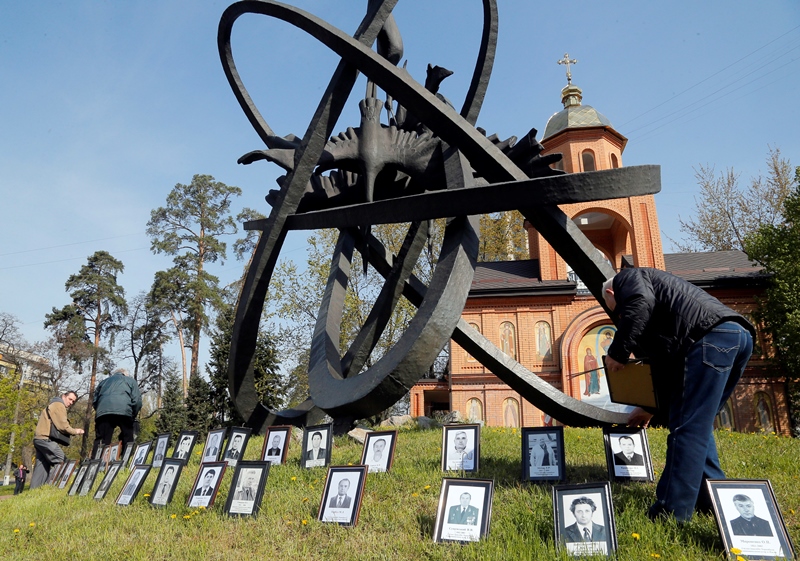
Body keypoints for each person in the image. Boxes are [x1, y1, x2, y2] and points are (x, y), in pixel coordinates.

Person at [602, 268, 754, 522]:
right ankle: (713, 500)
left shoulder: (627, 278)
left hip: (710, 338)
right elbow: (664, 368)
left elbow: (639, 303)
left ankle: (672, 512)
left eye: (616, 310)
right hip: (739, 338)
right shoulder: (663, 318)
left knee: (687, 428)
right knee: (698, 424)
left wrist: (617, 352)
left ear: (611, 292)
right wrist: (651, 407)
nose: (620, 315)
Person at [30, 390, 85, 489]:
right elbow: (63, 426)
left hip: (39, 439)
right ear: (63, 396)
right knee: (63, 462)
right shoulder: (59, 405)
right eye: (70, 399)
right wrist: (75, 431)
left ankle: (33, 492)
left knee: (41, 468)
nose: (71, 402)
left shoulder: (52, 404)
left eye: (73, 401)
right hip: (46, 440)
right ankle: (48, 488)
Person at [92, 367, 142, 452]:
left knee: (102, 440)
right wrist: (133, 415)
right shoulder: (130, 381)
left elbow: (95, 400)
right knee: (128, 436)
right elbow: (137, 401)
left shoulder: (103, 382)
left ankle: (96, 462)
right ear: (125, 374)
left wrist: (100, 411)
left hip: (104, 412)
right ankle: (126, 459)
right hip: (125, 411)